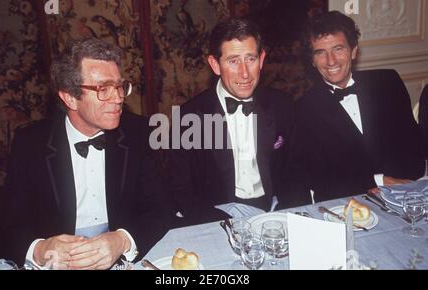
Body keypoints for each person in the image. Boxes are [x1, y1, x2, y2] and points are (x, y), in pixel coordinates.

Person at [0, 38, 169, 269]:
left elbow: (160, 208)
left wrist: (121, 240)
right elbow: (8, 227)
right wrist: (39, 249)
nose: (118, 98)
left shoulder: (139, 132)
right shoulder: (30, 144)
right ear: (69, 97)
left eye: (120, 86)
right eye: (103, 89)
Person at [168, 19, 305, 226]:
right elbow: (181, 192)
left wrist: (291, 218)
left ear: (261, 59)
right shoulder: (188, 118)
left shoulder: (283, 105)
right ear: (215, 65)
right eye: (233, 61)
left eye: (250, 59)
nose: (244, 73)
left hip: (275, 213)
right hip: (217, 218)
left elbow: (296, 172)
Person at [288, 11, 424, 202]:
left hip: (404, 196)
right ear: (312, 60)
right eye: (321, 53)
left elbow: (414, 154)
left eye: (338, 49)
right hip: (347, 205)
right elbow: (319, 180)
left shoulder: (388, 83)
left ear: (353, 51)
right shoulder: (303, 109)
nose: (331, 61)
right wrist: (378, 180)